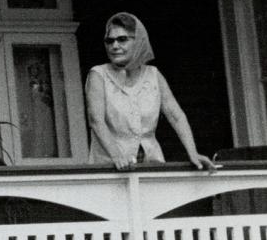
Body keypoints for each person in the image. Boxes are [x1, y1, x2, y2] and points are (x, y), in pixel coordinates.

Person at [86, 12, 217, 173]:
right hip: (110, 167)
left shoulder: (153, 75)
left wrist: (193, 152)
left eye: (122, 39)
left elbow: (176, 116)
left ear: (139, 41)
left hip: (151, 164)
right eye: (109, 41)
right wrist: (117, 156)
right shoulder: (98, 75)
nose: (114, 46)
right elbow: (96, 120)